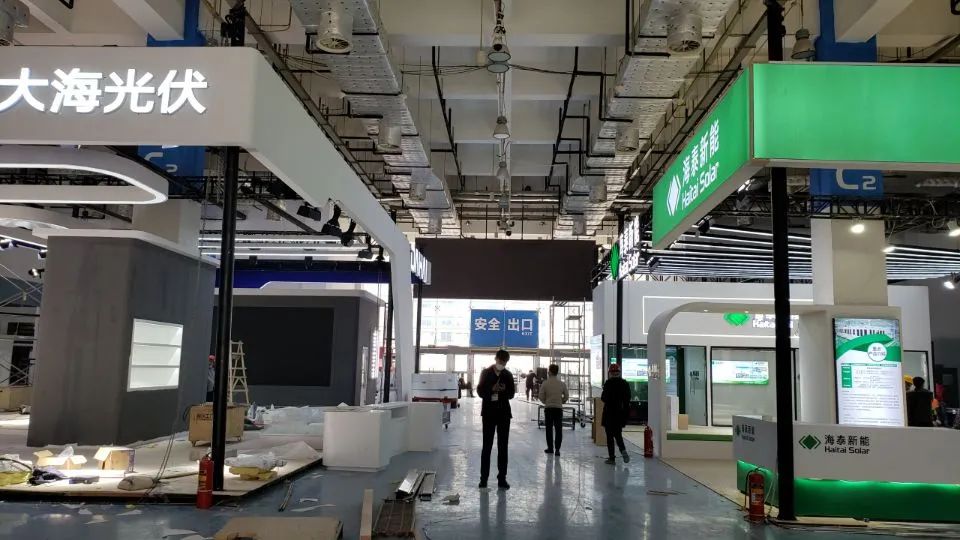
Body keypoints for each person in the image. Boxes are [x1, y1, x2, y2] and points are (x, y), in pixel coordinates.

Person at [476, 349, 516, 490]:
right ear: (496, 359)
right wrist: (492, 389)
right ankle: (483, 479)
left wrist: (504, 390)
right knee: (487, 446)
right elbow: (480, 391)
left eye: (504, 362)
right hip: (489, 413)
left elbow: (512, 394)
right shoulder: (486, 373)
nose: (502, 364)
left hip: (504, 414)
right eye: (500, 361)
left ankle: (502, 479)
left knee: (503, 447)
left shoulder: (508, 375)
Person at [601, 363, 632, 464]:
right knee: (618, 434)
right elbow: (628, 399)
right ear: (619, 372)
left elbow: (603, 398)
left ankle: (612, 458)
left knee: (609, 437)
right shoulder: (625, 384)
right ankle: (623, 450)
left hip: (609, 414)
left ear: (610, 373)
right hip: (619, 414)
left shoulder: (608, 383)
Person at [538, 364, 569, 456]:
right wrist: (561, 401)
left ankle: (550, 448)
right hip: (558, 409)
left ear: (550, 372)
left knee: (549, 429)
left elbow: (540, 396)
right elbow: (566, 396)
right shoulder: (562, 384)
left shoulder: (545, 383)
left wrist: (546, 402)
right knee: (558, 429)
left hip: (549, 409)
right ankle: (557, 450)